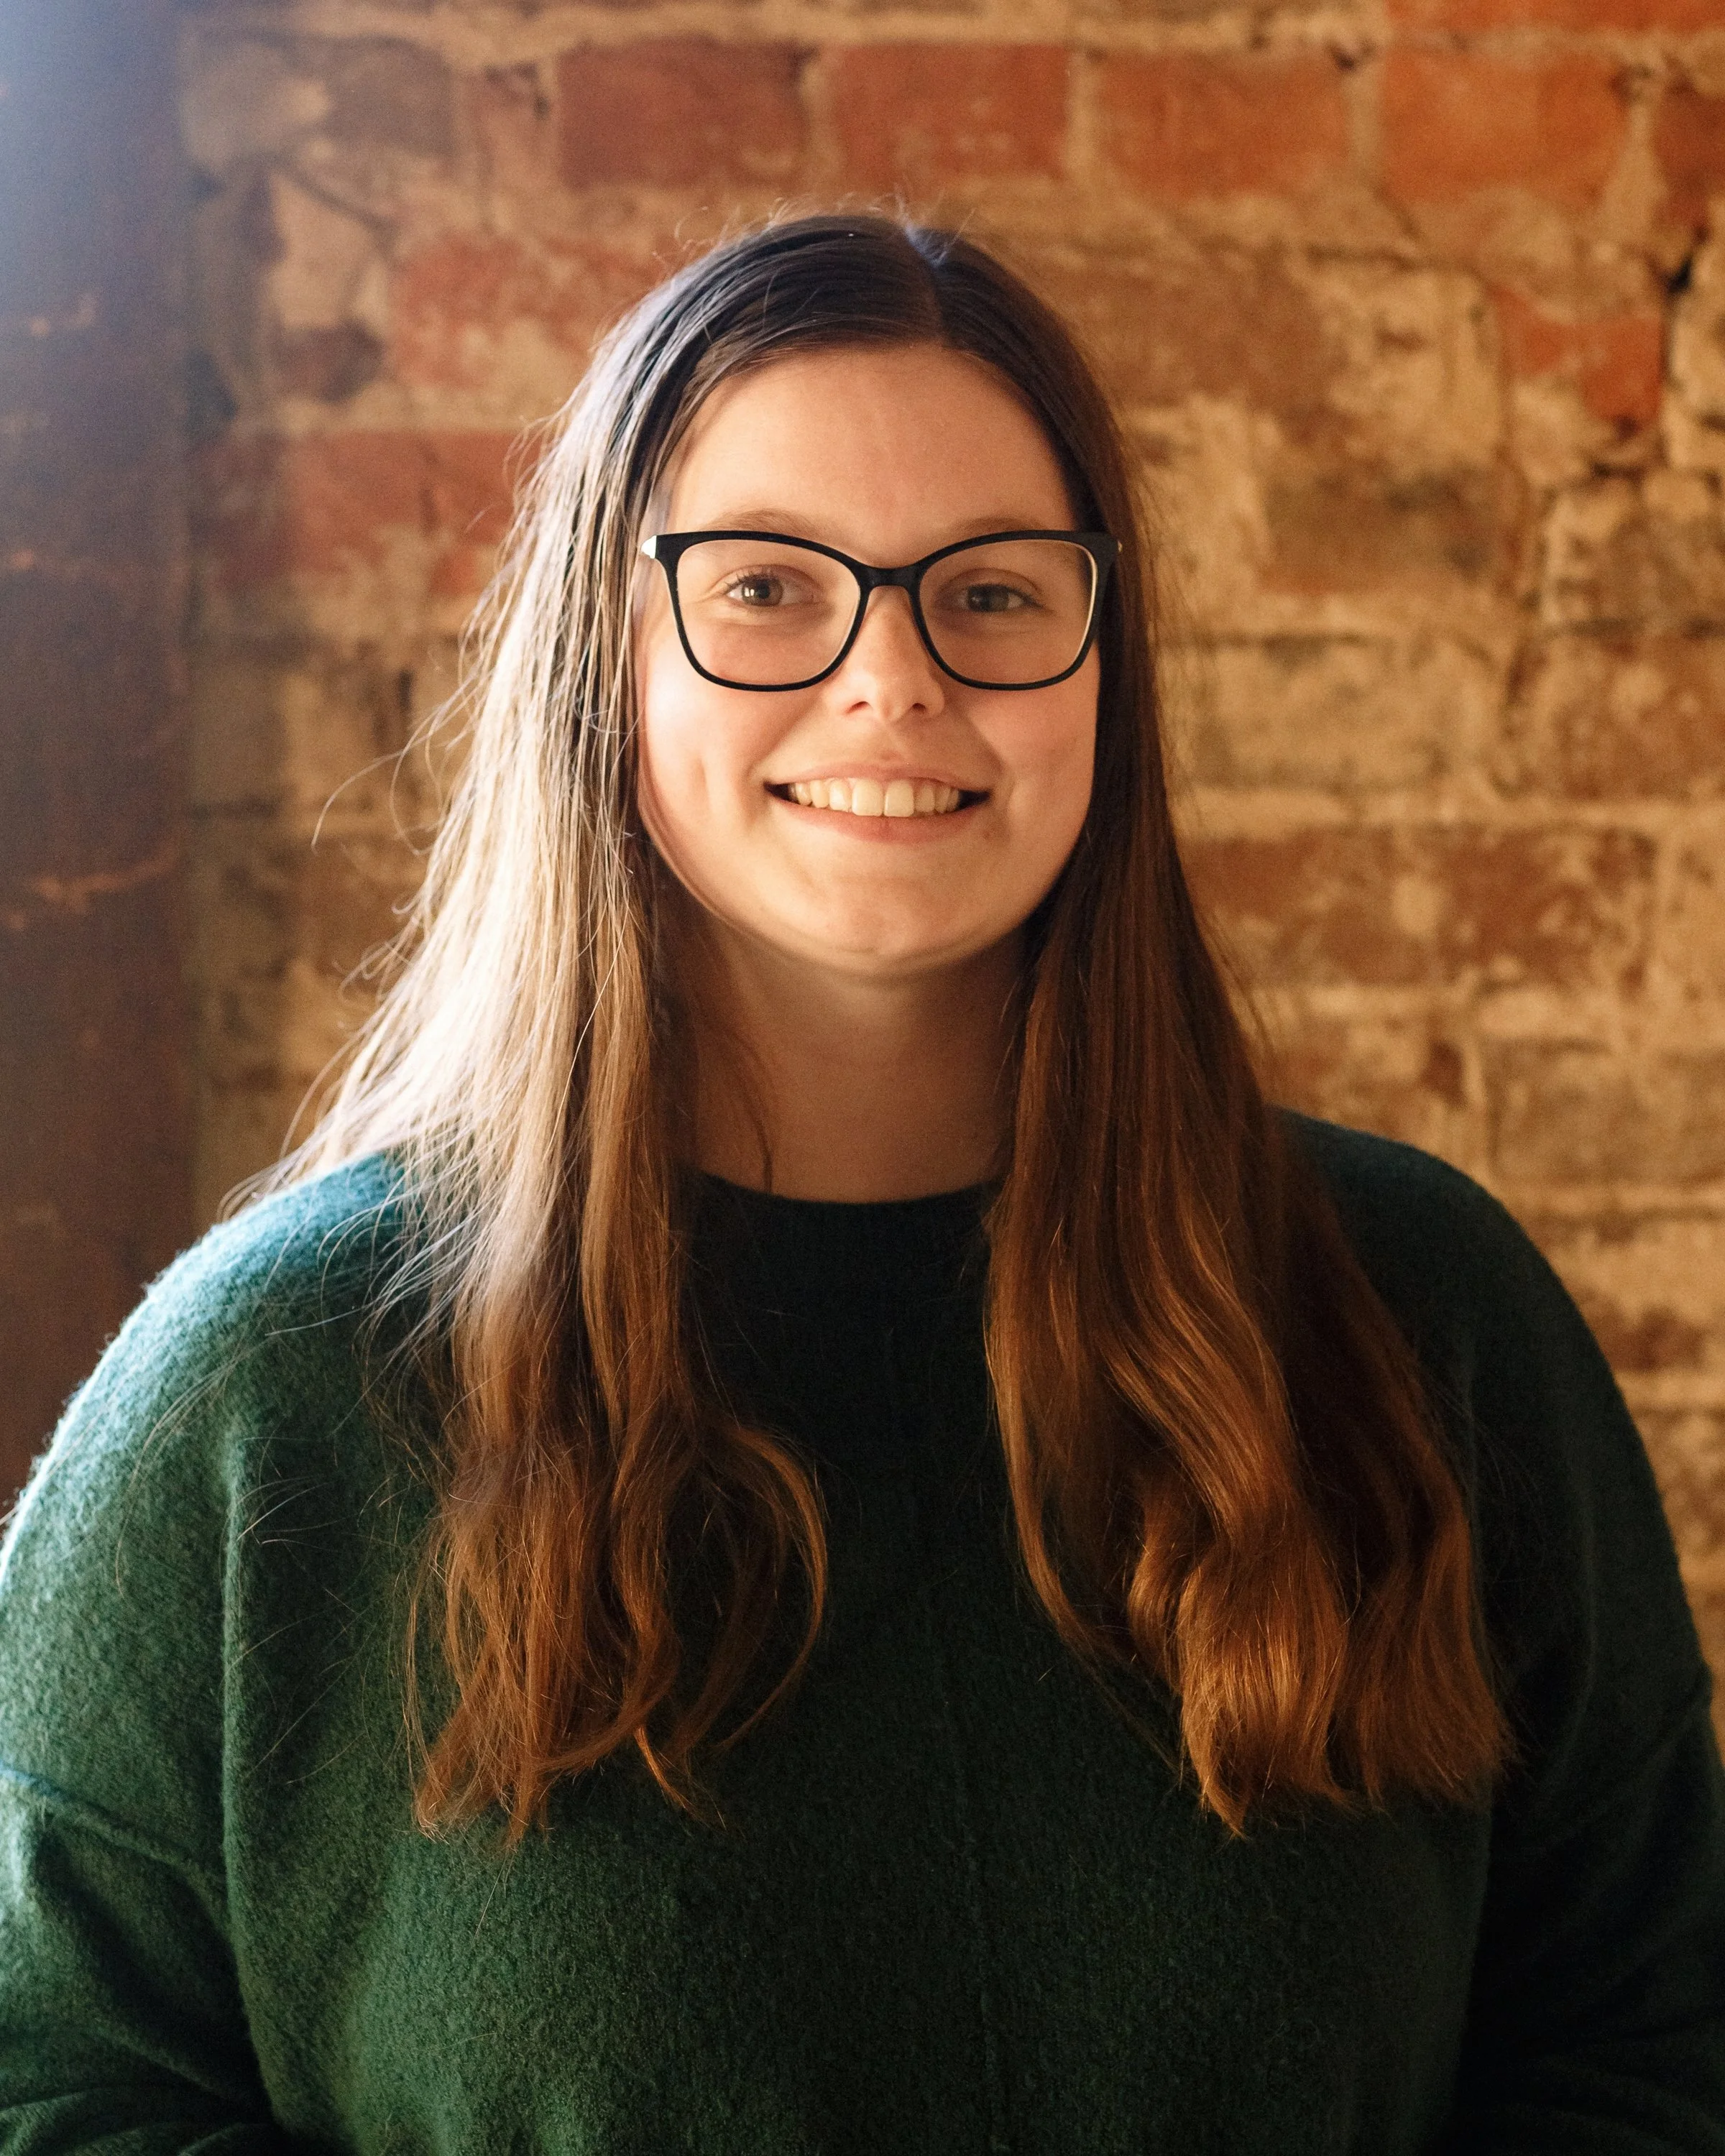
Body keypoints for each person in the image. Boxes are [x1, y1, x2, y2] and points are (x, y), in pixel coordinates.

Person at [1, 212, 1721, 2155]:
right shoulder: (268, 1392)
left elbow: (1645, 2041)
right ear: (606, 660)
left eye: (990, 593)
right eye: (763, 590)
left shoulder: (1423, 1318)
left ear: (1104, 663)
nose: (892, 679)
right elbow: (63, 2084)